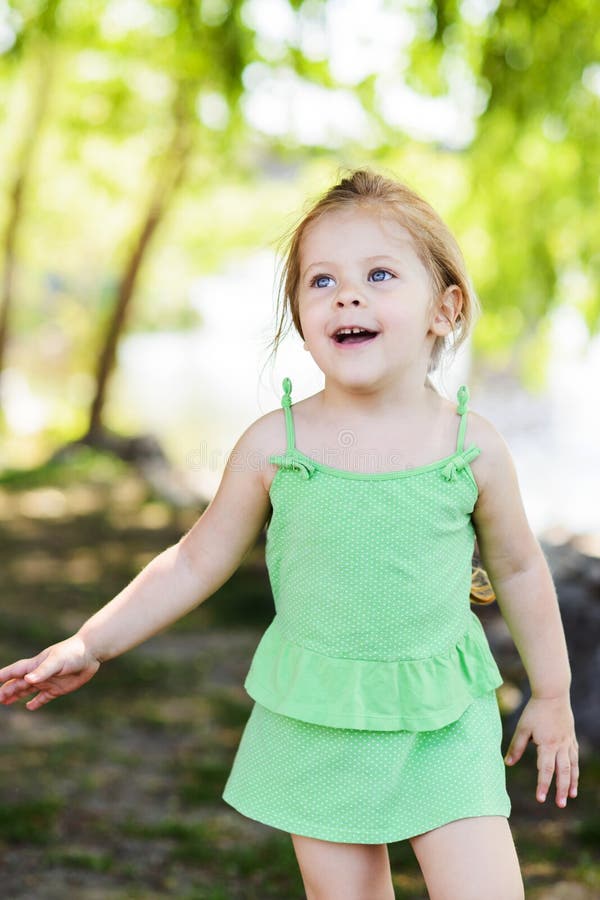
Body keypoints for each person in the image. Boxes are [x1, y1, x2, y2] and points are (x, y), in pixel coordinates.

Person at [0, 169, 578, 900]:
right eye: (321, 280)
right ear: (303, 317)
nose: (348, 295)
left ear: (444, 307)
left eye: (379, 274)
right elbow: (191, 560)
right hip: (319, 717)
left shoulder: (473, 448)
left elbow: (521, 570)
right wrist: (92, 642)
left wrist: (552, 693)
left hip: (443, 719)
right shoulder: (277, 446)